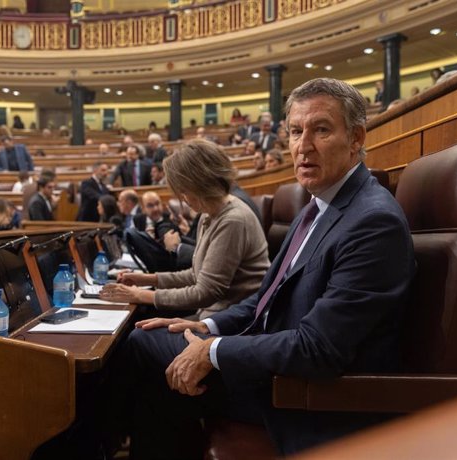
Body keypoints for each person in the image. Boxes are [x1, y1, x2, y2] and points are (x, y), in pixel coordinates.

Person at [105, 78, 416, 458]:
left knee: (140, 346)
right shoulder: (317, 208)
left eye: (321, 130)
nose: (303, 146)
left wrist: (213, 350)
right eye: (296, 131)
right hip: (272, 364)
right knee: (153, 359)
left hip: (305, 396)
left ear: (356, 138)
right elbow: (263, 300)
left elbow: (318, 349)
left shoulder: (372, 222)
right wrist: (208, 326)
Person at [100, 138, 270, 319]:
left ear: (199, 185)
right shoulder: (209, 213)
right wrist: (145, 279)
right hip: (214, 315)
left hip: (231, 322)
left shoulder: (232, 220)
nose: (183, 198)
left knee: (137, 335)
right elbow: (196, 275)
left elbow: (205, 293)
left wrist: (140, 295)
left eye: (184, 191)